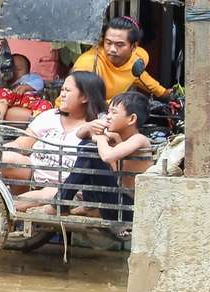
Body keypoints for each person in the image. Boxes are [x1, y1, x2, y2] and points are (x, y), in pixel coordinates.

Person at [0, 71, 107, 209]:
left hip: (68, 187)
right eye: (62, 90)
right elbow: (22, 142)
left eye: (67, 90)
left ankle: (0, 208)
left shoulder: (97, 124)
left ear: (85, 97)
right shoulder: (49, 116)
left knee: (47, 195)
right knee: (4, 157)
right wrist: (0, 153)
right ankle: (1, 207)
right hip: (34, 174)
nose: (62, 94)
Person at [57, 91, 153, 231]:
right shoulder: (118, 136)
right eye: (108, 112)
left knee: (91, 150)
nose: (108, 117)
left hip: (128, 209)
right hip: (116, 202)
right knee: (86, 145)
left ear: (131, 119)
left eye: (113, 113)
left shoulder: (139, 139)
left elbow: (108, 156)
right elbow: (80, 134)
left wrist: (100, 138)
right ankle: (82, 205)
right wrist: (90, 127)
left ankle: (60, 203)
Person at [71, 17, 169, 99]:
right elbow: (80, 101)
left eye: (119, 45)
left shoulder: (136, 60)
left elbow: (141, 77)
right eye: (108, 43)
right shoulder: (89, 63)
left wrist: (165, 93)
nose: (112, 49)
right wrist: (120, 105)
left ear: (134, 47)